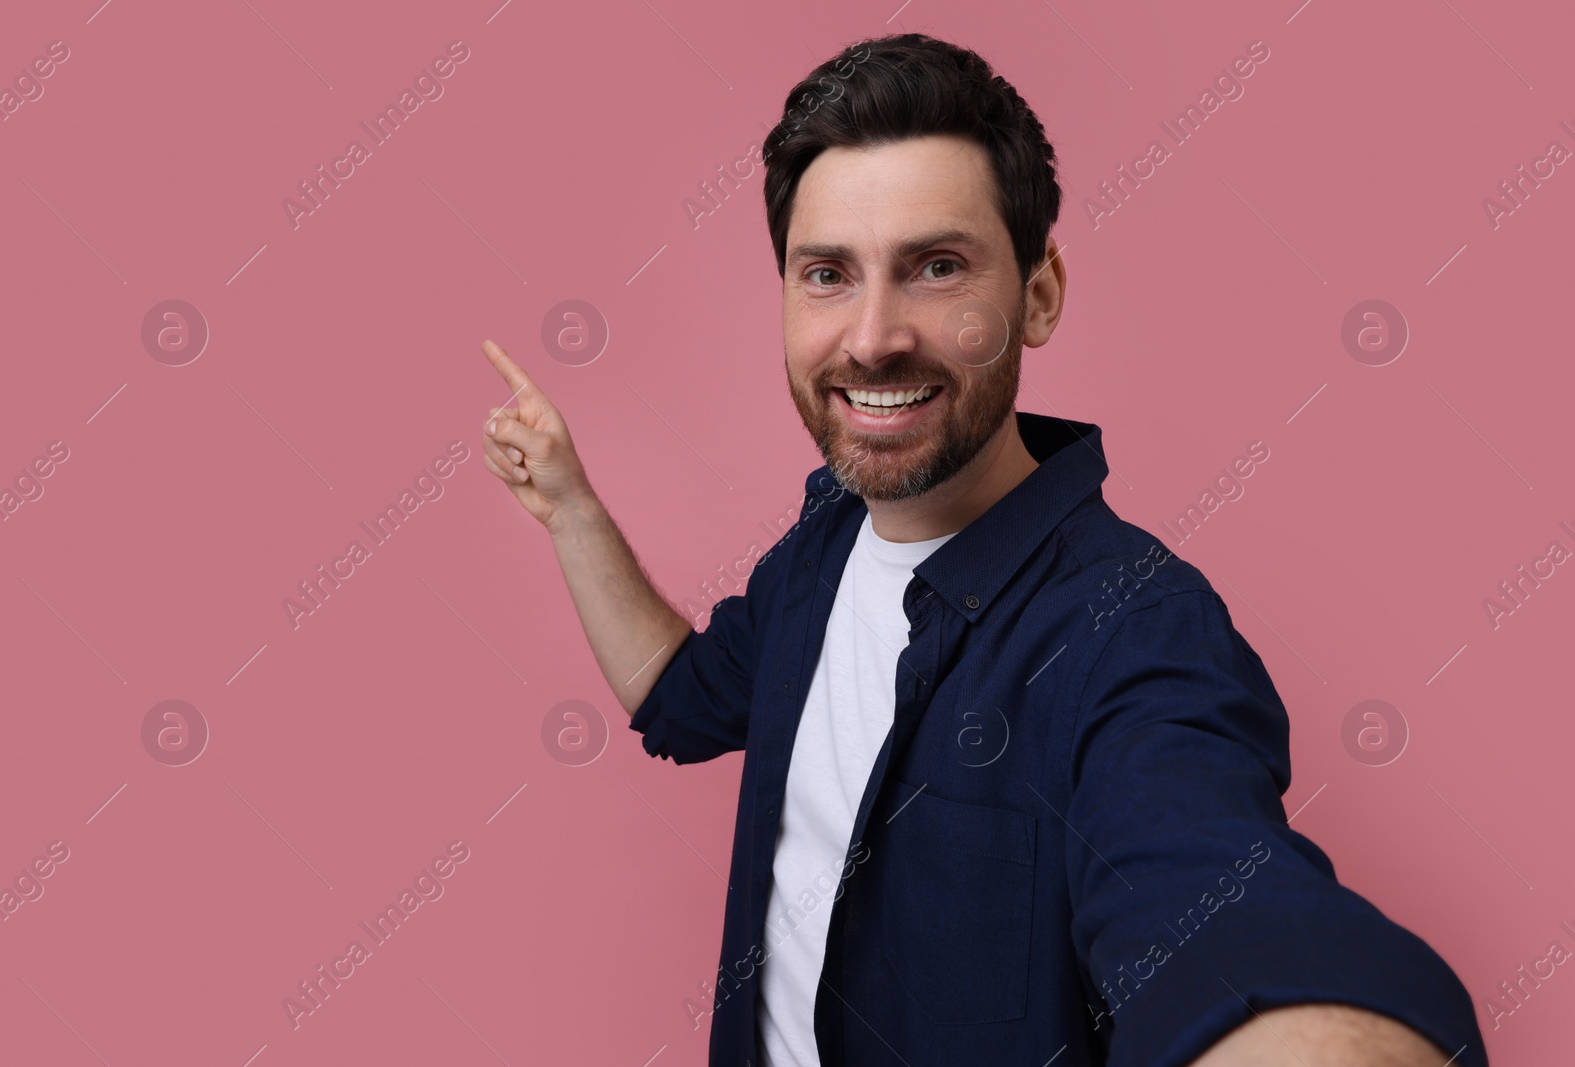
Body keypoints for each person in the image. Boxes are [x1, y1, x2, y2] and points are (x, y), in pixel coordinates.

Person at [477, 31, 1485, 1067]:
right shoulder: (822, 543)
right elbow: (682, 697)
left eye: (937, 267)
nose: (872, 336)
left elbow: (1220, 908)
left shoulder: (1133, 630)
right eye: (827, 273)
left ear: (1038, 294)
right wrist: (569, 507)